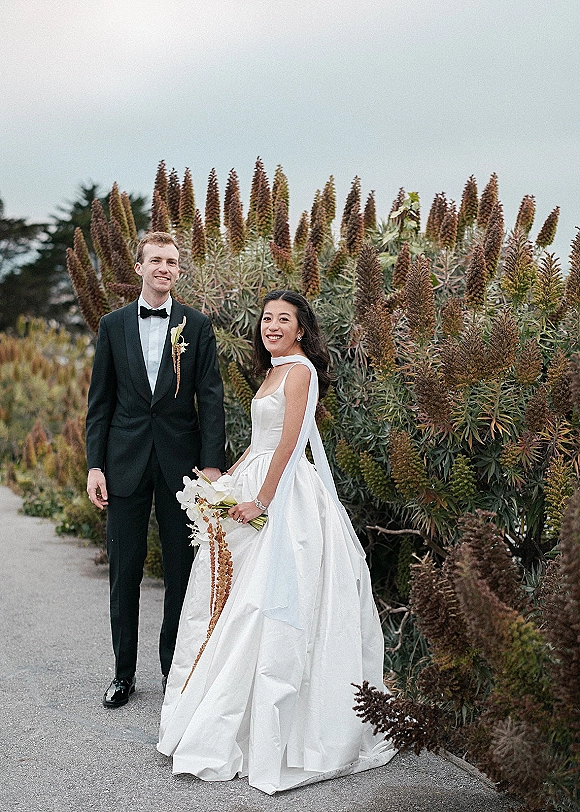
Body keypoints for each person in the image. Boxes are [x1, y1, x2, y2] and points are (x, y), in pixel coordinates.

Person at [157, 290, 395, 793]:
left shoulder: (301, 371)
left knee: (263, 602)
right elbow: (259, 443)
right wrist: (222, 486)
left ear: (300, 328)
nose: (271, 326)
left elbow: (289, 443)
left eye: (282, 319)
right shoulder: (274, 370)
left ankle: (273, 724)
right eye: (266, 319)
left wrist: (263, 500)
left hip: (285, 491)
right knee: (232, 598)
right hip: (259, 477)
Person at [86, 231, 226, 709]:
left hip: (180, 466)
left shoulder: (197, 326)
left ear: (178, 271)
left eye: (172, 261)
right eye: (156, 260)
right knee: (123, 571)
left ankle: (174, 670)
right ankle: (123, 675)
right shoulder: (113, 325)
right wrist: (94, 466)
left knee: (181, 571)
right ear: (140, 267)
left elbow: (210, 399)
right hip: (123, 463)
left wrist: (211, 466)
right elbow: (99, 404)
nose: (163, 267)